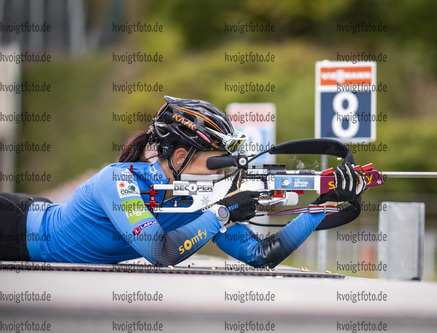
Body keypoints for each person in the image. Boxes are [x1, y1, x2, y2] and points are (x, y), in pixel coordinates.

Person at [0, 96, 365, 268]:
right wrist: (223, 213)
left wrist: (323, 204)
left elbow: (261, 255)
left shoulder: (204, 200)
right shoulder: (118, 182)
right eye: (217, 161)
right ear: (179, 157)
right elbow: (162, 252)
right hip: (14, 225)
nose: (224, 173)